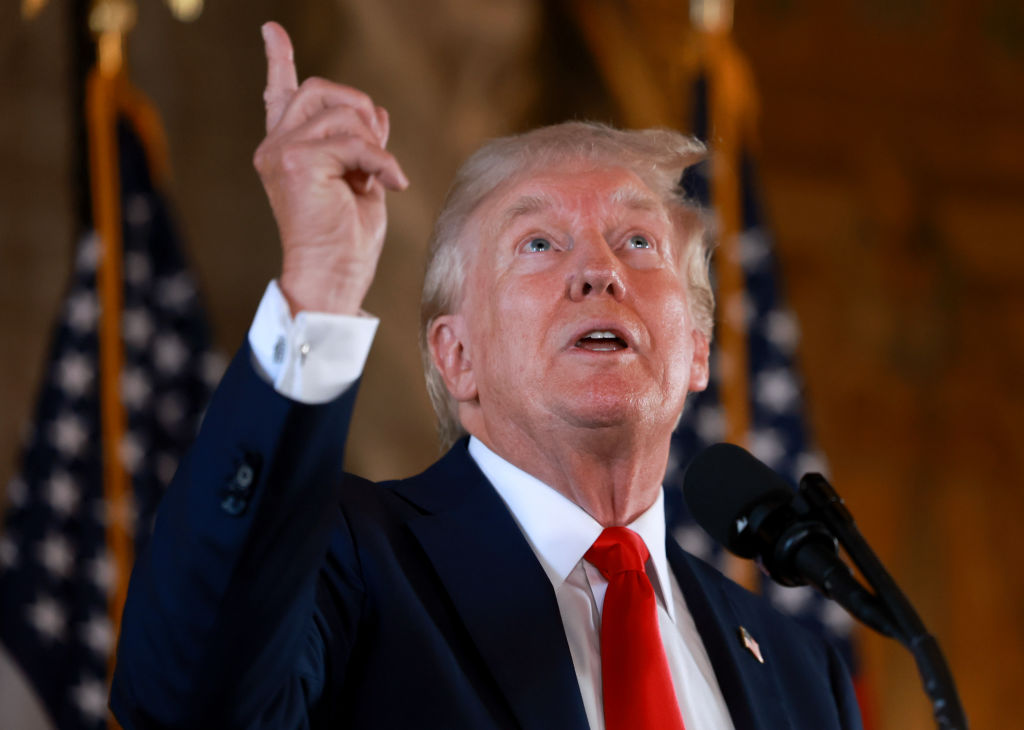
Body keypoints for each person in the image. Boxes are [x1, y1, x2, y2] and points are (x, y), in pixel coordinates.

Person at [110, 21, 862, 730]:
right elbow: (188, 698)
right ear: (456, 357)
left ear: (697, 350)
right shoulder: (351, 564)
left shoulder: (802, 672)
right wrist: (317, 286)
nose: (599, 270)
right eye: (538, 244)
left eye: (637, 240)